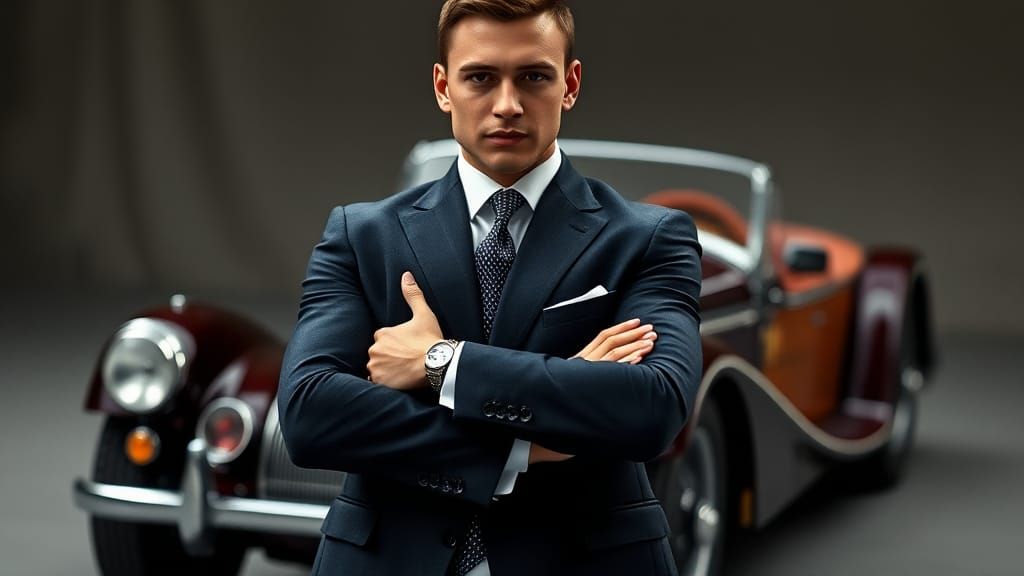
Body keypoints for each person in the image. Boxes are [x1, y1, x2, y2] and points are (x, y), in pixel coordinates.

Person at [278, 0, 702, 574]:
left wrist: (440, 363)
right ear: (443, 87)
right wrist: (529, 444)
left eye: (533, 76)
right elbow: (309, 415)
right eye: (480, 77)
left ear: (570, 84)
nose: (508, 105)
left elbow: (654, 407)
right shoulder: (361, 234)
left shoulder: (649, 238)